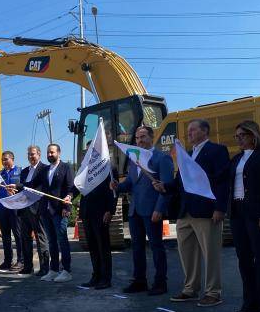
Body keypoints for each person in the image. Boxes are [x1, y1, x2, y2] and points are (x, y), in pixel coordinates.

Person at [153, 119, 230, 307]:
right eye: (188, 131)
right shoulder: (187, 155)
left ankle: (213, 292)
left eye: (193, 130)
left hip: (206, 211)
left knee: (210, 254)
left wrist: (220, 208)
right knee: (186, 252)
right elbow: (180, 183)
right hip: (185, 212)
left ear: (205, 130)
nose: (189, 133)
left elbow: (222, 181)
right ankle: (190, 289)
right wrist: (164, 186)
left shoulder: (217, 151)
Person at [111, 126, 174, 295]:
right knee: (137, 247)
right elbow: (131, 184)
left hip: (152, 211)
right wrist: (118, 186)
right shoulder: (134, 159)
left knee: (156, 247)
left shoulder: (162, 158)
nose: (139, 140)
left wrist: (159, 209)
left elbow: (167, 188)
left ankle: (160, 283)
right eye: (137, 138)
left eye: (143, 137)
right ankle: (140, 281)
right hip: (135, 211)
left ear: (151, 138)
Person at [228, 120, 260, 312]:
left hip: (257, 214)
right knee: (244, 258)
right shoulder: (236, 159)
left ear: (253, 135)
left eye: (242, 135)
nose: (239, 139)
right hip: (238, 212)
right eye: (236, 136)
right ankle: (251, 303)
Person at [37, 143, 76, 282]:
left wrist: (67, 206)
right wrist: (18, 186)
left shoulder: (66, 168)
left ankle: (66, 270)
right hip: (46, 211)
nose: (49, 155)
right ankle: (53, 270)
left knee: (62, 241)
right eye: (48, 152)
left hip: (60, 210)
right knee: (51, 241)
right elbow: (32, 184)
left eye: (52, 152)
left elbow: (71, 188)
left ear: (59, 153)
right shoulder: (44, 170)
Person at [79, 162, 117, 290]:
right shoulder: (85, 169)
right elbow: (77, 185)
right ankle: (96, 276)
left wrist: (110, 210)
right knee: (93, 247)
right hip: (87, 212)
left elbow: (113, 191)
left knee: (103, 247)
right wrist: (70, 194)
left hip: (101, 212)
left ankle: (106, 279)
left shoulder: (109, 168)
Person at [14, 145, 50, 276]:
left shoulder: (44, 169)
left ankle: (45, 267)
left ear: (39, 154)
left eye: (33, 154)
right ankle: (28, 266)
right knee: (25, 239)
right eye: (29, 154)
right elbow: (21, 190)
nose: (31, 157)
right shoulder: (23, 171)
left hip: (37, 209)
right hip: (24, 209)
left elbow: (38, 188)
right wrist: (15, 190)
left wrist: (21, 186)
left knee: (41, 238)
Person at [0, 150, 23, 270]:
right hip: (2, 209)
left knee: (18, 235)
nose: (4, 162)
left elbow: (24, 188)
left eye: (6, 159)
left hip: (15, 208)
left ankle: (21, 260)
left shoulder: (20, 172)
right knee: (5, 236)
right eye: (2, 160)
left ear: (12, 159)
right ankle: (8, 261)